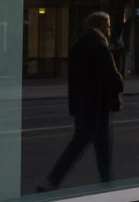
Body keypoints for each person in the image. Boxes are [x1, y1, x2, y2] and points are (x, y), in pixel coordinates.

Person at [39, 12, 125, 192]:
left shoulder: (78, 46)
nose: (109, 30)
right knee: (101, 146)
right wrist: (119, 83)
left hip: (82, 104)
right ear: (101, 25)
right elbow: (113, 76)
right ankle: (107, 184)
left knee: (83, 144)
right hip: (99, 105)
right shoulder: (101, 47)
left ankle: (52, 181)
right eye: (107, 26)